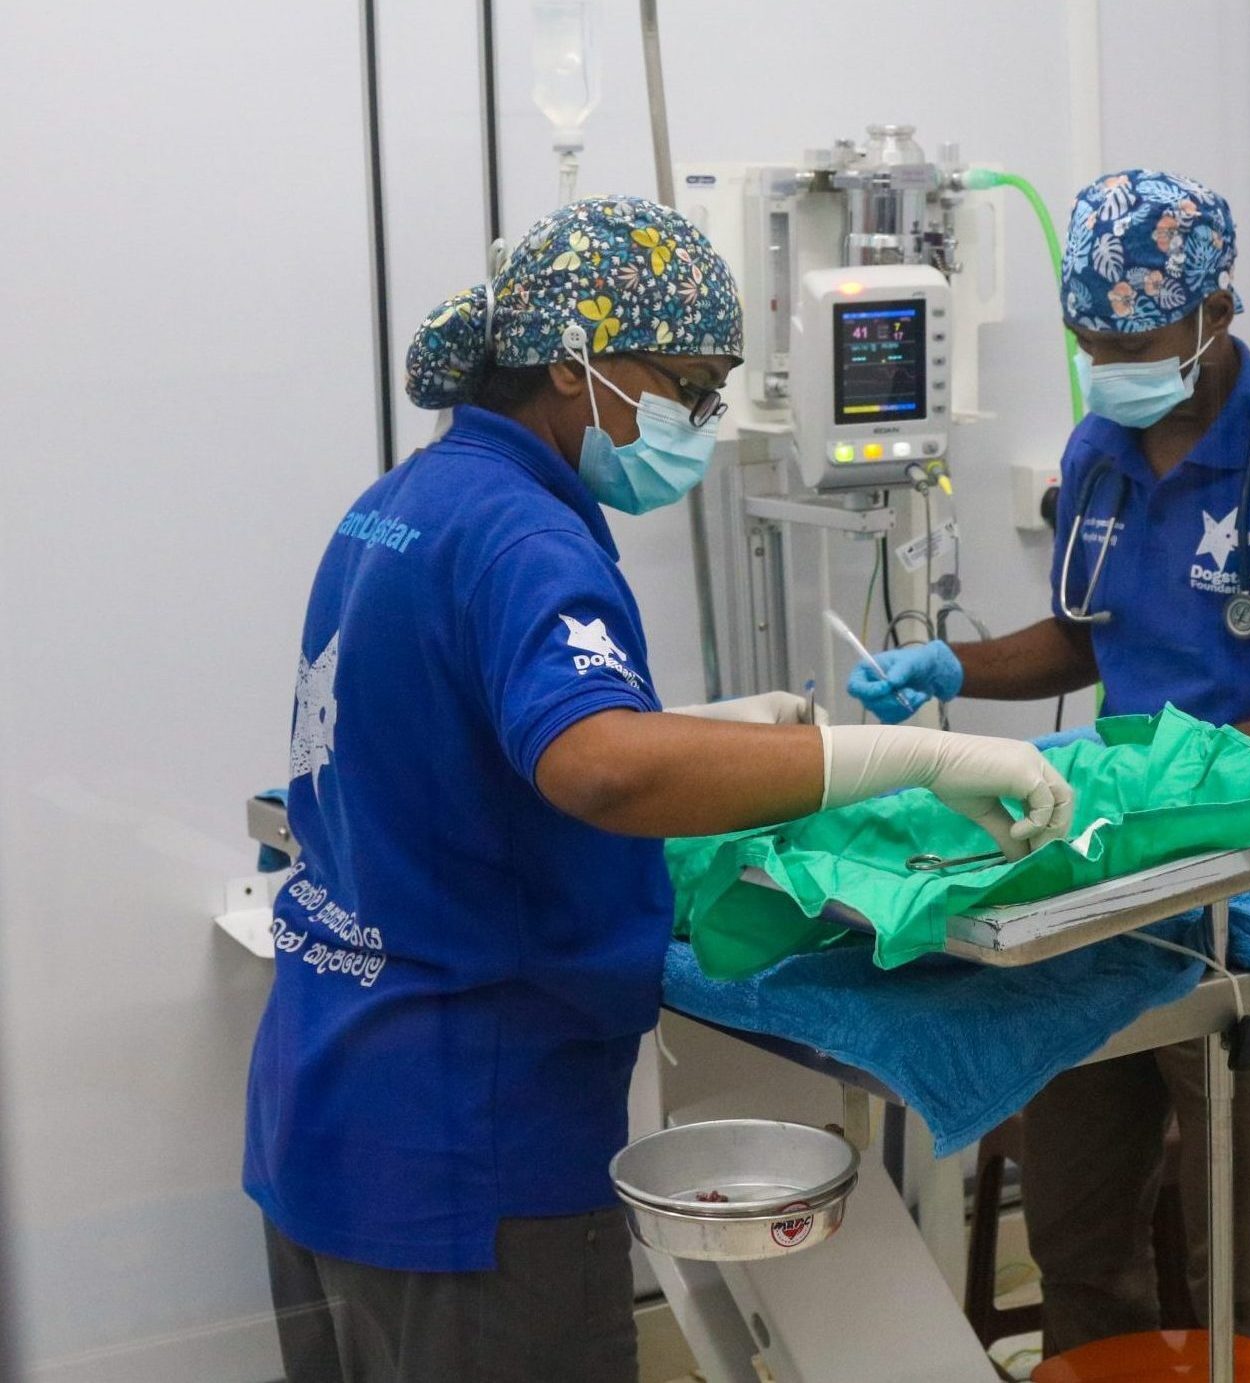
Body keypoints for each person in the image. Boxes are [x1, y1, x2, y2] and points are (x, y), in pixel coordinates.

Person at [244, 196, 1074, 1383]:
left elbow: (471, 738)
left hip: (325, 1105)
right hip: (469, 1141)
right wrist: (921, 757)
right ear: (573, 366)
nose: (699, 422)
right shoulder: (526, 540)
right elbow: (599, 767)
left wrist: (716, 733)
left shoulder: (402, 507)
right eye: (688, 388)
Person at [845, 169, 1250, 1365]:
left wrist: (1175, 771)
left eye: (1132, 345)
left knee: (1240, 1258)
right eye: (1089, 343)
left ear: (1215, 313)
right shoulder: (1098, 451)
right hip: (1102, 882)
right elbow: (1083, 638)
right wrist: (948, 664)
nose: (1106, 366)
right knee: (1078, 1236)